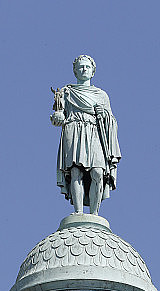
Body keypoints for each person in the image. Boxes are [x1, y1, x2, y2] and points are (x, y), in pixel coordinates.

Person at [51, 55, 121, 214]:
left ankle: (95, 213)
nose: (84, 69)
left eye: (87, 67)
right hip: (74, 129)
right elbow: (58, 116)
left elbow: (112, 122)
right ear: (75, 71)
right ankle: (79, 211)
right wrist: (58, 117)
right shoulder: (67, 92)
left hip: (94, 131)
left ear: (93, 72)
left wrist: (104, 115)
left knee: (98, 172)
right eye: (81, 67)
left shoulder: (101, 95)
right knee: (76, 171)